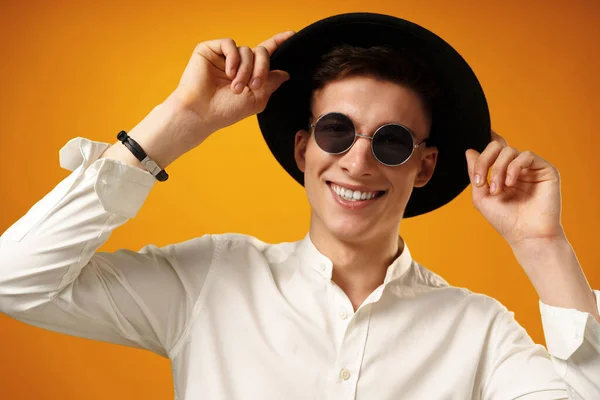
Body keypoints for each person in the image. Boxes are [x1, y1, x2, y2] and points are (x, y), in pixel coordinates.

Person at [0, 12, 598, 400]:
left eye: (391, 141)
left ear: (425, 166)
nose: (359, 163)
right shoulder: (212, 280)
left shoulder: (477, 329)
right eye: (337, 131)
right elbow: (14, 279)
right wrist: (177, 123)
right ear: (303, 147)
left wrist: (542, 247)